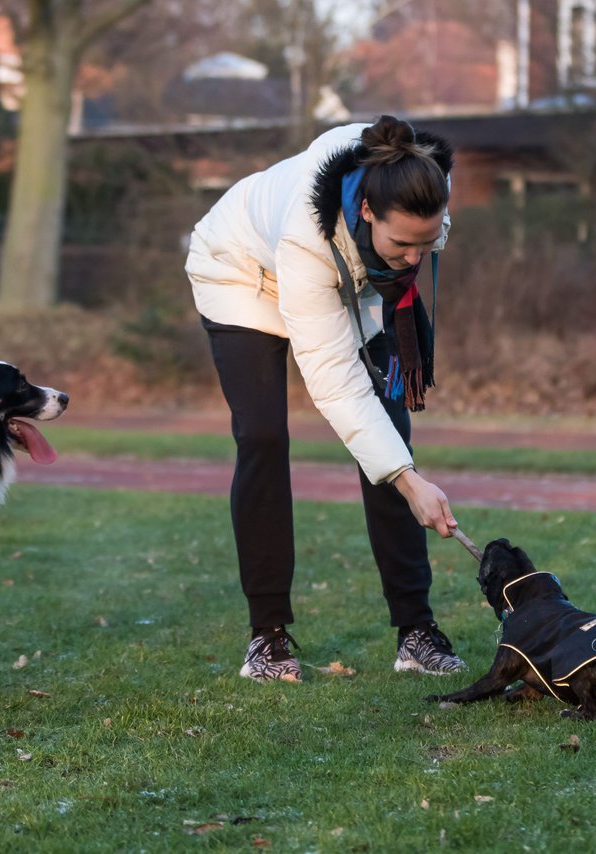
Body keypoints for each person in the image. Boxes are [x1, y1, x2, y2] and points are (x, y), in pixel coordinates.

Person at [185, 115, 468, 683]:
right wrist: (411, 481)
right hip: (242, 277)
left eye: (427, 241)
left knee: (388, 436)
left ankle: (416, 630)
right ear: (366, 211)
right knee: (263, 436)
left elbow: (396, 261)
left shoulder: (422, 180)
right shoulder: (305, 238)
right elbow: (335, 382)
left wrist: (399, 466)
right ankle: (267, 638)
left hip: (351, 283)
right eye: (403, 243)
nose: (416, 257)